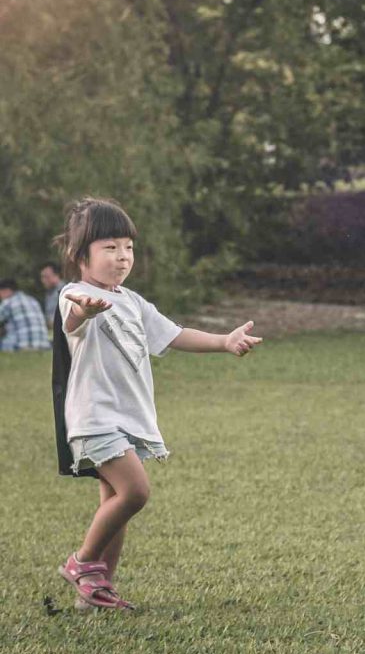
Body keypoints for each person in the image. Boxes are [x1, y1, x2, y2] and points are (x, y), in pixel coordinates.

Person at [52, 197, 262, 612]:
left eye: (128, 247)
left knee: (115, 501)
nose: (122, 256)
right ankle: (81, 562)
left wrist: (224, 341)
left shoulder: (131, 300)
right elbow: (71, 321)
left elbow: (173, 334)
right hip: (94, 417)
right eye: (109, 247)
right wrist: (83, 311)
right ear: (81, 255)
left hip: (128, 418)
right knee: (135, 492)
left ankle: (97, 592)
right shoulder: (75, 294)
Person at [0, 278, 51, 351]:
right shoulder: (33, 300)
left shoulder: (8, 303)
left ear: (6, 291)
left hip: (19, 346)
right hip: (43, 345)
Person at [40, 261, 67, 327]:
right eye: (42, 277)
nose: (43, 280)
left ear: (56, 275)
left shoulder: (64, 291)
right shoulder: (49, 293)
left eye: (46, 277)